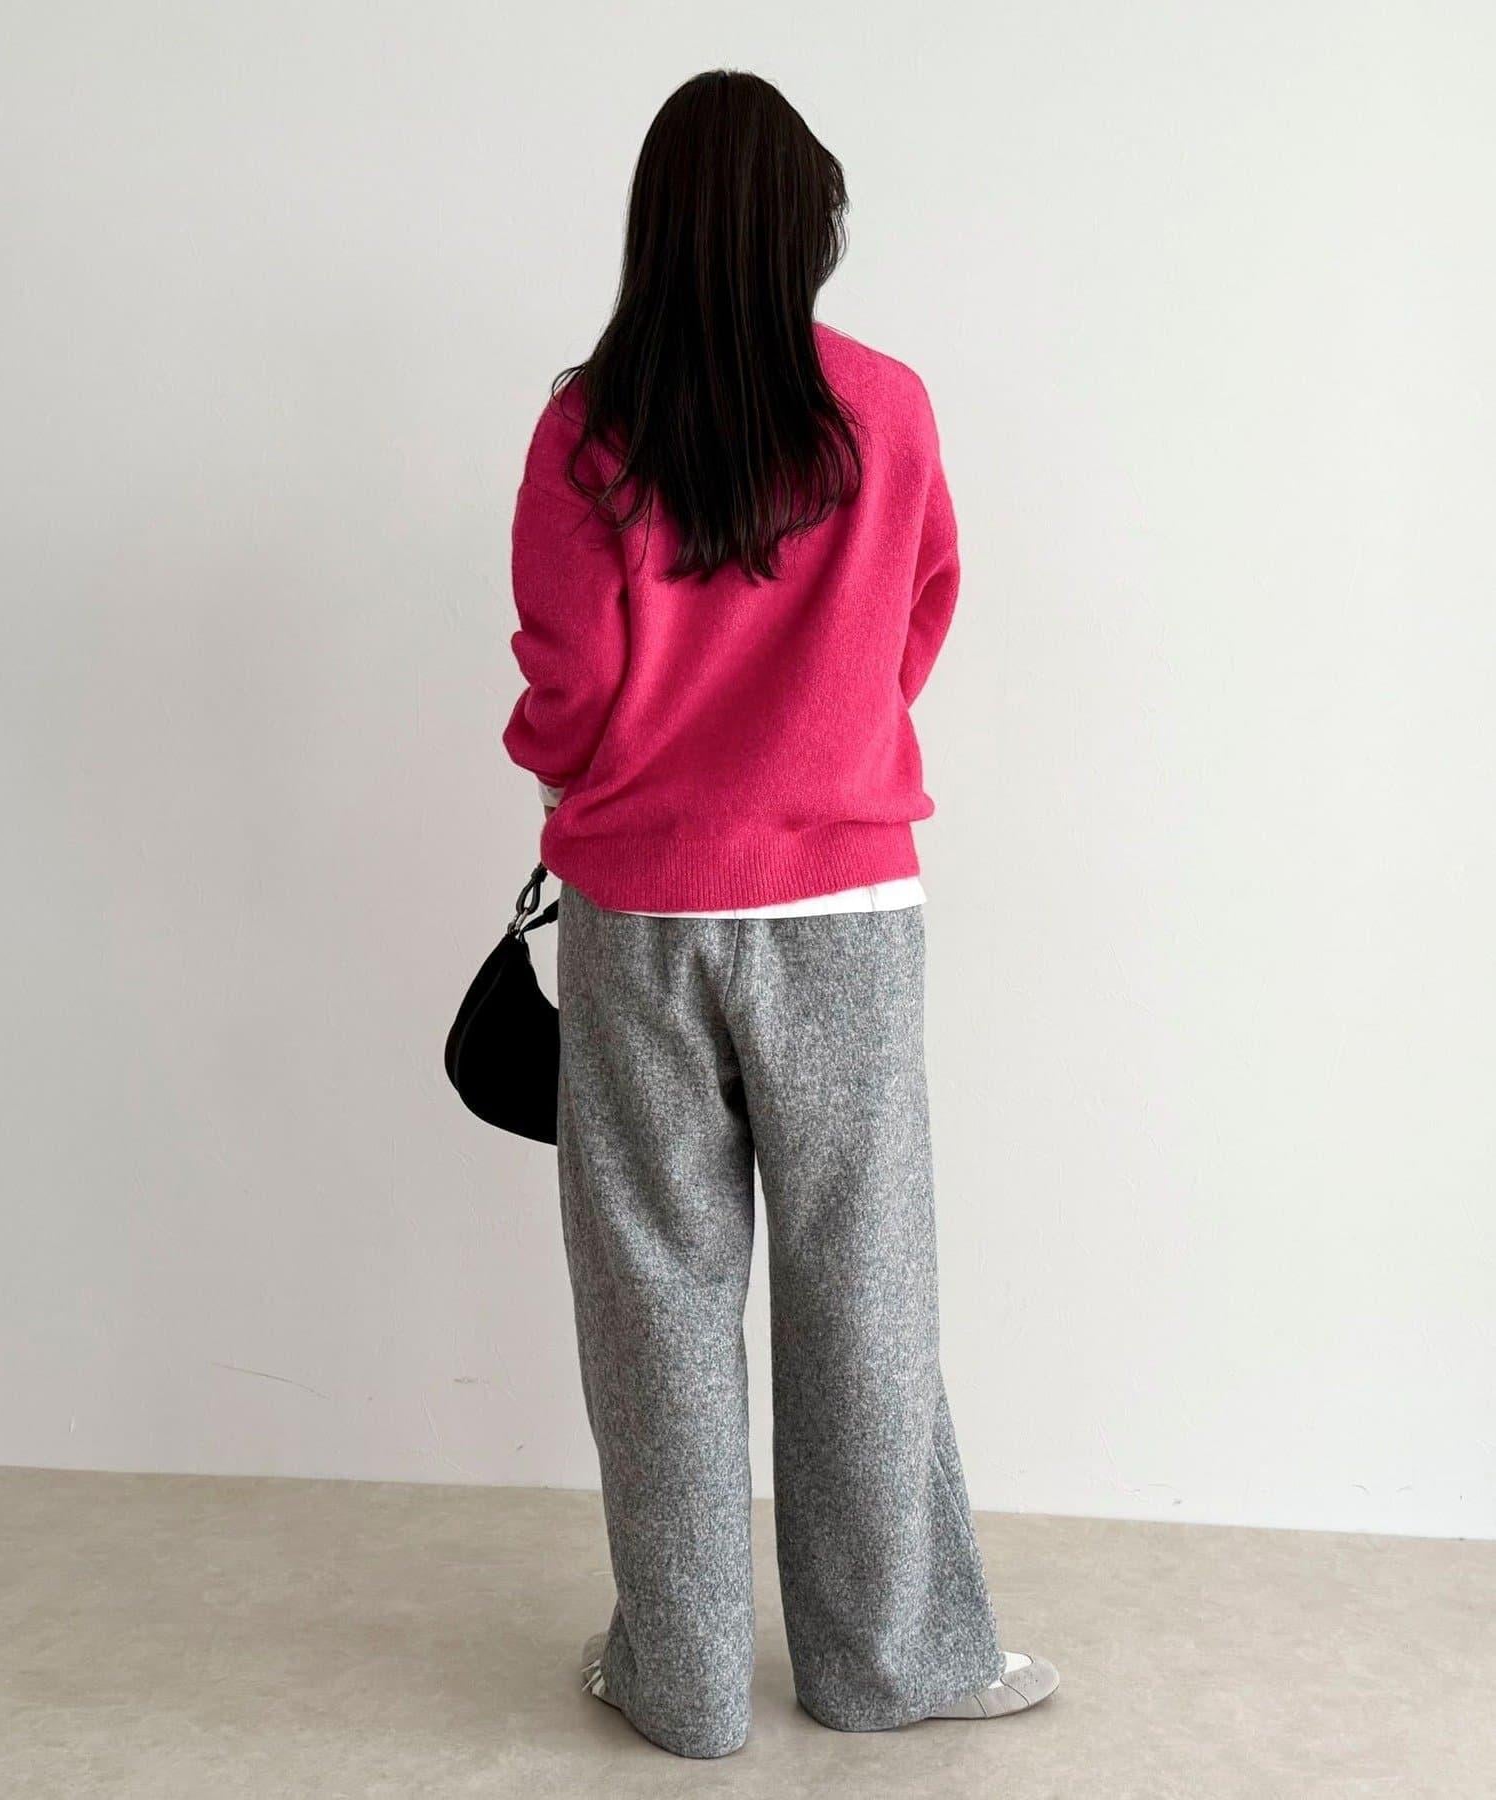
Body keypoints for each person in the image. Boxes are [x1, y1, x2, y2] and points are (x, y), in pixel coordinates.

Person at [502, 68, 1058, 1761]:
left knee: (654, 1294)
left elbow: (567, 678)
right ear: (807, 228)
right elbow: (920, 612)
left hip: (641, 907)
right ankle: (883, 1664)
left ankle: (677, 1681)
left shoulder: (588, 427)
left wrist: (588, 771)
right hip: (846, 901)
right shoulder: (884, 406)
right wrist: (830, 741)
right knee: (862, 1281)